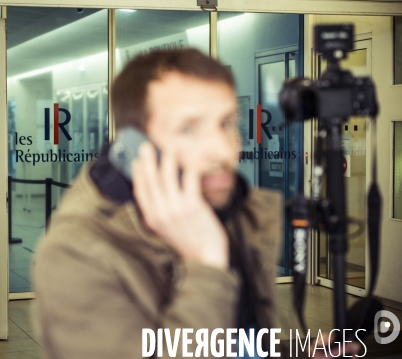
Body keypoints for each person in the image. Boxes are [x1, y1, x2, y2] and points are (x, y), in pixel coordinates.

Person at [32, 49, 356, 358]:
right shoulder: (77, 253)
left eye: (227, 123)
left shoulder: (226, 205)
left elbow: (233, 341)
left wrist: (290, 355)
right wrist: (206, 267)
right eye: (188, 128)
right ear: (135, 147)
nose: (223, 149)